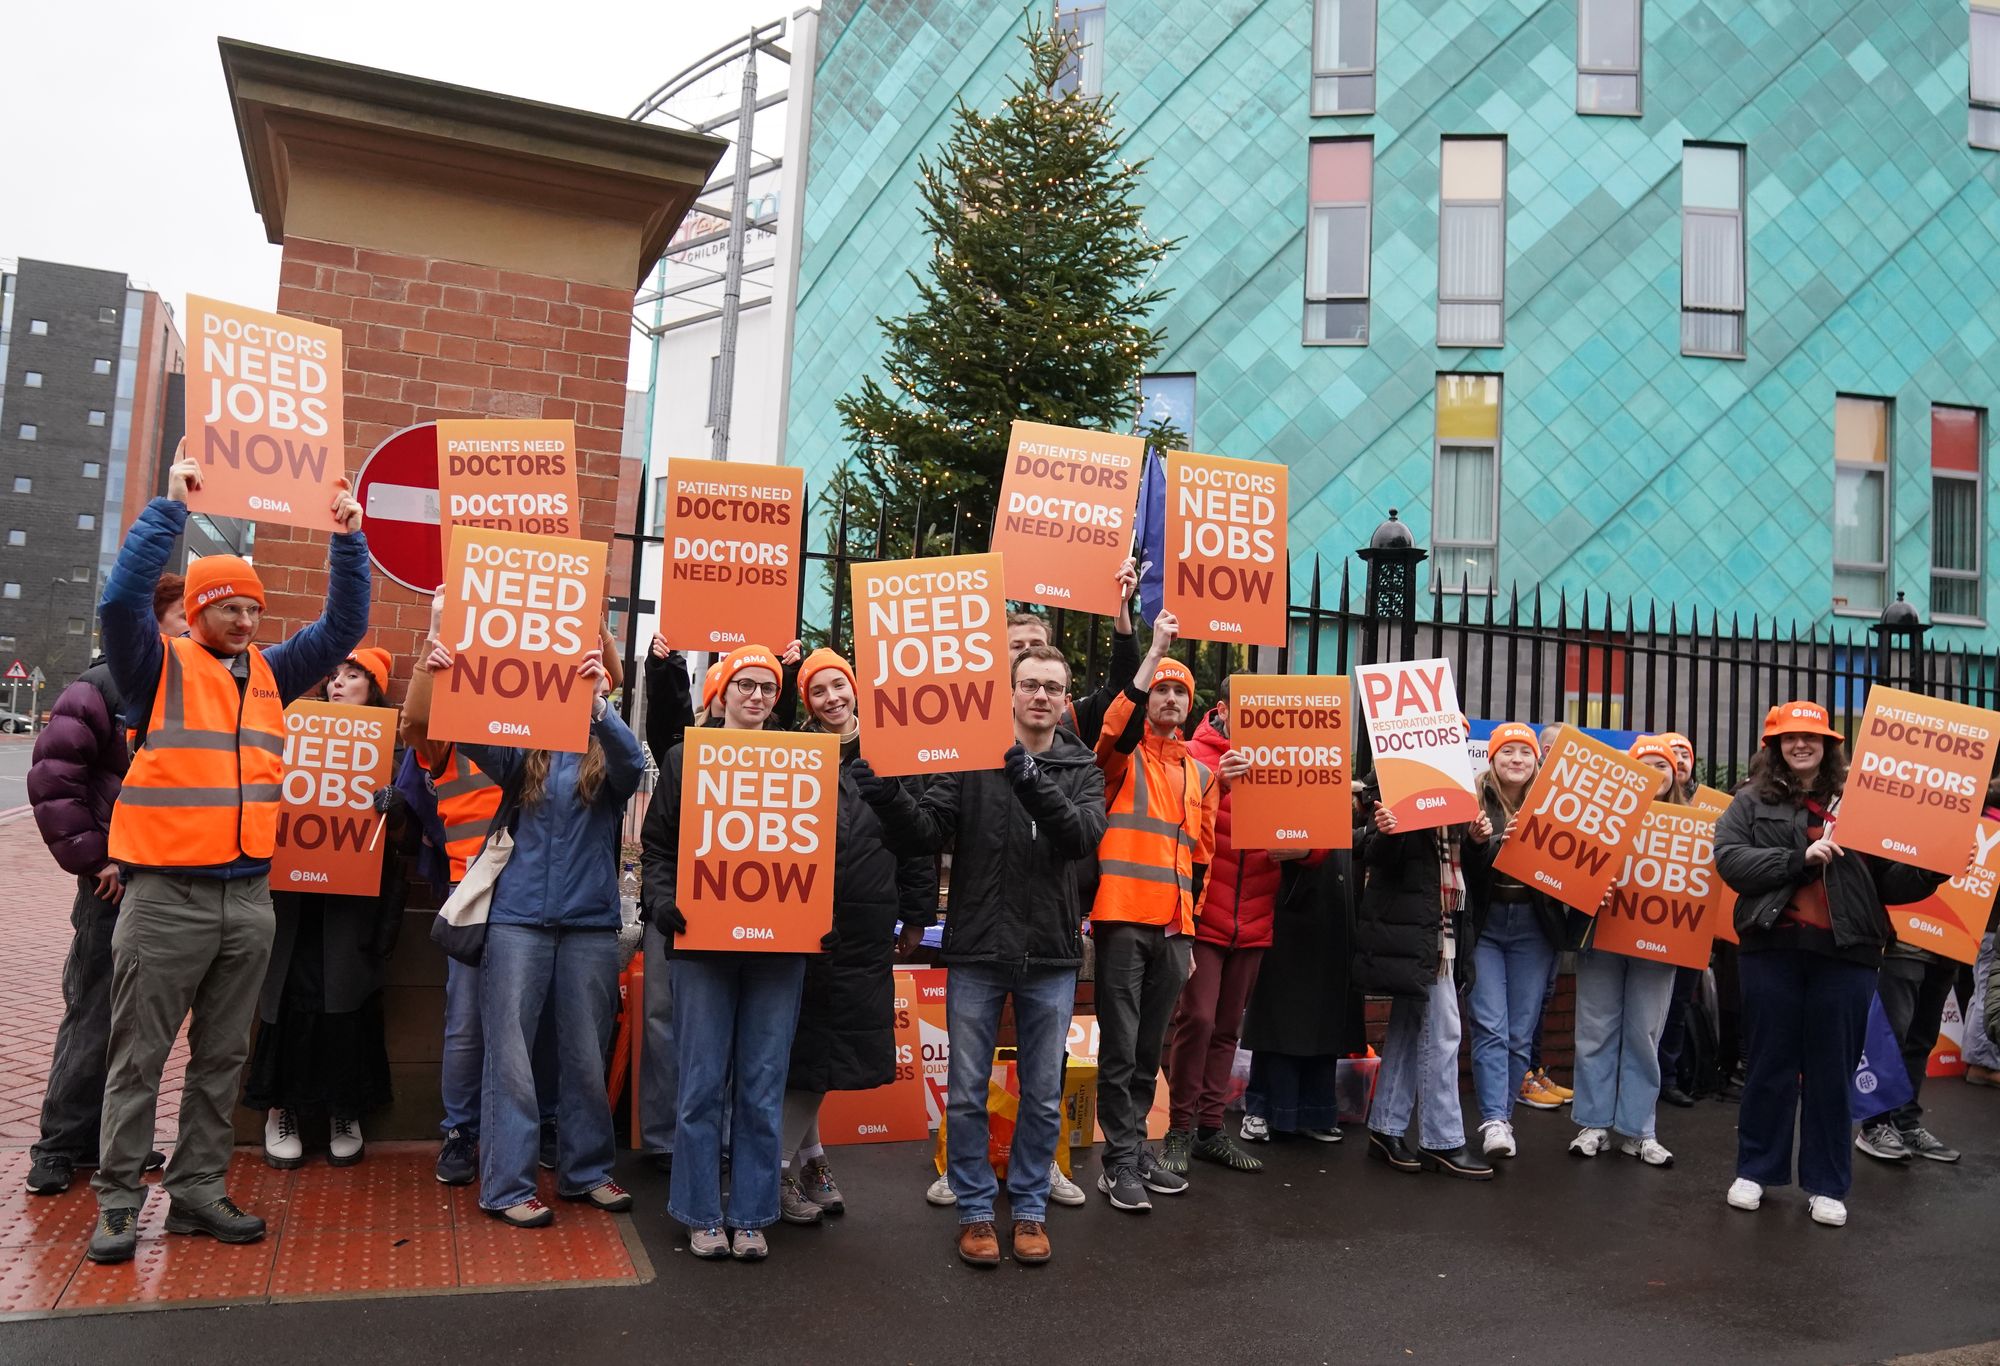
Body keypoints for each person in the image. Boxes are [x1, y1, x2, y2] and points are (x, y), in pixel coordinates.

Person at [86, 445, 369, 1265]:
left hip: (248, 899)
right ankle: (116, 1203)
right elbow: (118, 600)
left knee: (222, 1057)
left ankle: (199, 1191)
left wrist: (347, 539)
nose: (247, 622)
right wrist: (169, 509)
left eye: (253, 609)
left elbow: (344, 627)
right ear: (200, 612)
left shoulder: (274, 673)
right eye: (230, 609)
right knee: (137, 1058)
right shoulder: (153, 668)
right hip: (166, 898)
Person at [860, 643, 1107, 1267]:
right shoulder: (971, 760)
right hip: (977, 950)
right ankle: (974, 1211)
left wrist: (1025, 774)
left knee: (1044, 1095)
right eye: (1031, 685)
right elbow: (924, 831)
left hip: (1049, 957)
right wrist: (886, 794)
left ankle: (1028, 1210)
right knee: (967, 1092)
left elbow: (1078, 836)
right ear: (1011, 692)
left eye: (1054, 686)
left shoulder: (1083, 767)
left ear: (1065, 696)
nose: (1042, 696)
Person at [422, 636, 644, 1227]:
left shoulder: (608, 742)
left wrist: (601, 706)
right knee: (512, 1060)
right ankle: (507, 1185)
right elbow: (467, 730)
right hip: (517, 919)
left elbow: (633, 767)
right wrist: (448, 673)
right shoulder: (522, 744)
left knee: (583, 1057)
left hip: (590, 924)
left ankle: (587, 1173)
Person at [1714, 701, 1946, 1228]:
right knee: (1769, 1065)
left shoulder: (1865, 803)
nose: (1801, 746)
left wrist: (1938, 869)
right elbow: (1730, 861)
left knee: (1831, 1071)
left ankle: (1826, 1185)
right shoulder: (1749, 801)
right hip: (1771, 950)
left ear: (1829, 746)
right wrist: (1800, 858)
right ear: (1773, 746)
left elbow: (1890, 882)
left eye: (1812, 739)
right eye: (1791, 738)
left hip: (1848, 956)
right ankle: (1755, 1170)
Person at [643, 645, 813, 1262]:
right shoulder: (686, 758)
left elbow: (819, 850)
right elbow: (659, 847)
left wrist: (819, 917)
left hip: (780, 948)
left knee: (763, 1088)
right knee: (700, 1085)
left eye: (768, 687)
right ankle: (698, 1212)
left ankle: (750, 1214)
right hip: (703, 946)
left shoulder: (802, 761)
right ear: (719, 693)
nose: (757, 697)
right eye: (745, 684)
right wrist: (662, 905)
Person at [22, 573, 183, 1195]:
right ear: (150, 623)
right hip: (113, 886)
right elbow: (52, 780)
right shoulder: (100, 687)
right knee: (93, 1014)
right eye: (181, 622)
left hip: (166, 883)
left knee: (143, 1026)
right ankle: (60, 1146)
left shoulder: (185, 691)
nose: (191, 634)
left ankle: (118, 1141)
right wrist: (96, 861)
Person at [400, 597, 564, 1187]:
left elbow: (606, 680)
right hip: (475, 893)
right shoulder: (452, 718)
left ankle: (544, 1120)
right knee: (468, 1022)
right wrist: (435, 639)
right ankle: (460, 1131)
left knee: (539, 1021)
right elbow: (416, 726)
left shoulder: (549, 720)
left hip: (539, 888)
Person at [779, 648, 937, 1224]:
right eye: (817, 691)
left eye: (837, 686)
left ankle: (802, 1160)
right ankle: (784, 1169)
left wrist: (917, 915)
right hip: (805, 922)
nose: (831, 699)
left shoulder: (893, 751)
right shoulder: (794, 753)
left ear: (855, 689)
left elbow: (918, 842)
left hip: (867, 924)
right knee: (807, 1051)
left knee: (826, 1050)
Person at [246, 647, 408, 1169]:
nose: (338, 684)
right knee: (290, 995)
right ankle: (282, 1109)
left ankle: (345, 1109)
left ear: (374, 688)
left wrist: (395, 805)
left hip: (351, 904)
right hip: (293, 899)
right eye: (334, 675)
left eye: (353, 676)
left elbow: (411, 827)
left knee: (345, 1000)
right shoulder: (295, 730)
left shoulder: (392, 749)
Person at [1088, 613, 1218, 1210]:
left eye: (1178, 691)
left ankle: (1135, 1147)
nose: (1168, 698)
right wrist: (1155, 653)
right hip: (1122, 916)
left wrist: (1188, 934)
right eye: (1161, 689)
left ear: (1189, 706)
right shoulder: (1123, 756)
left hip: (1173, 928)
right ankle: (1117, 1162)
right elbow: (1117, 722)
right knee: (1119, 1046)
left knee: (1147, 1047)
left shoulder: (1199, 773)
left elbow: (1200, 858)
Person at [1162, 683, 1294, 1175]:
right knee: (1196, 1020)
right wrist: (1220, 781)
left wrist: (1304, 851)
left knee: (1227, 1029)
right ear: (1222, 712)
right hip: (1203, 912)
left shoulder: (1288, 764)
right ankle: (1178, 1130)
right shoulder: (1195, 755)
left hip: (1255, 917)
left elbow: (1315, 839)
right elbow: (1176, 820)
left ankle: (1210, 1131)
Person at [1357, 764, 1496, 1180]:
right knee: (1445, 1030)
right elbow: (1376, 857)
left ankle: (1386, 1128)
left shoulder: (1460, 791)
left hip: (1444, 921)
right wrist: (1387, 829)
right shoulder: (1390, 777)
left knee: (1410, 1025)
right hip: (1419, 927)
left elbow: (1469, 867)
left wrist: (1474, 843)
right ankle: (1444, 1141)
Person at [1567, 735, 1681, 1167]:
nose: (1655, 771)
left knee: (1644, 1034)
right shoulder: (1602, 814)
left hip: (1659, 942)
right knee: (1595, 1029)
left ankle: (1640, 1130)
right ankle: (1593, 1124)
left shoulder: (1691, 823)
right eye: (1646, 763)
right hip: (1603, 934)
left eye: (1663, 764)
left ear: (1675, 775)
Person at [1239, 787, 1367, 1144]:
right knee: (1283, 1014)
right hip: (1289, 908)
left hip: (1330, 912)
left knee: (1322, 1013)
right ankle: (1264, 1107)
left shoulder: (1334, 779)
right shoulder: (1282, 775)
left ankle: (1314, 1110)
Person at [1466, 723, 1566, 1159]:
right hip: (1487, 926)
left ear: (1536, 761)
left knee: (1520, 1033)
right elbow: (1462, 868)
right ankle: (1491, 1119)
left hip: (1533, 927)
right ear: (1493, 758)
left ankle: (1503, 1119)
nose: (1517, 760)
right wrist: (1486, 846)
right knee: (1490, 1025)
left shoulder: (1554, 804)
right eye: (1508, 752)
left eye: (1524, 753)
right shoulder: (1473, 800)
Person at [1006, 558, 1140, 745]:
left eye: (1037, 644)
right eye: (1017, 646)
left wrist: (1122, 605)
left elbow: (1121, 691)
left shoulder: (1070, 718)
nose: (1028, 652)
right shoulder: (974, 716)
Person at [1967, 763, 2000, 1088]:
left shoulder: (1985, 814)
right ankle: (1981, 1062)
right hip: (1989, 921)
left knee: (1987, 987)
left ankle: (1984, 1059)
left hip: (1986, 918)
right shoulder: (1989, 819)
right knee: (1989, 987)